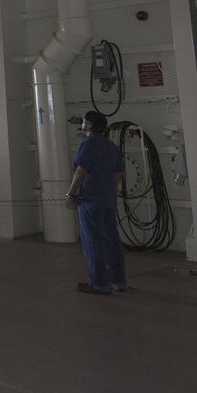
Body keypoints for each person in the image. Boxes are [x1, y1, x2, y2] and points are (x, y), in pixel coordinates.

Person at [65, 110, 126, 295]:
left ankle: (99, 283)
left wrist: (71, 193)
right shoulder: (111, 146)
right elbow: (118, 174)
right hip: (108, 198)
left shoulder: (88, 144)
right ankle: (118, 280)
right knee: (111, 238)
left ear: (88, 125)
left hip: (90, 199)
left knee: (93, 241)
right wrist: (105, 187)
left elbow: (80, 171)